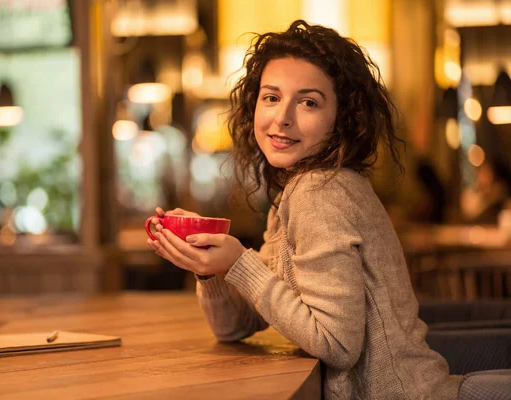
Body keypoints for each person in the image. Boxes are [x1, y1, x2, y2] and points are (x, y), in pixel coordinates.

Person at [147, 21, 462, 399]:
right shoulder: (294, 193)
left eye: (308, 102)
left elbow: (338, 345)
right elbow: (236, 326)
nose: (283, 117)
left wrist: (238, 264)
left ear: (341, 120)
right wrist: (209, 268)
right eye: (272, 97)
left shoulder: (321, 193)